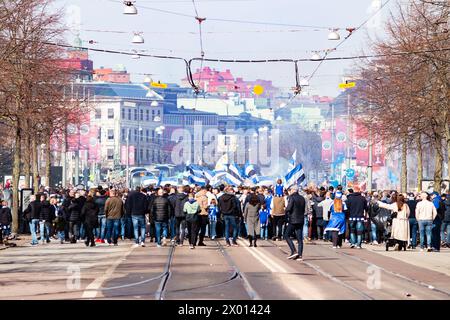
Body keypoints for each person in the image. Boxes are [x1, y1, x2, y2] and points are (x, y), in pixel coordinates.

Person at [284, 186, 306, 260]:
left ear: (293, 190)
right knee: (299, 239)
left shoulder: (292, 197)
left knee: (286, 235)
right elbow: (303, 209)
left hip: (293, 220)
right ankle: (300, 255)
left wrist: (286, 210)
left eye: (290, 190)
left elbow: (289, 208)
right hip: (301, 219)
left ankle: (293, 251)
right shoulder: (302, 198)